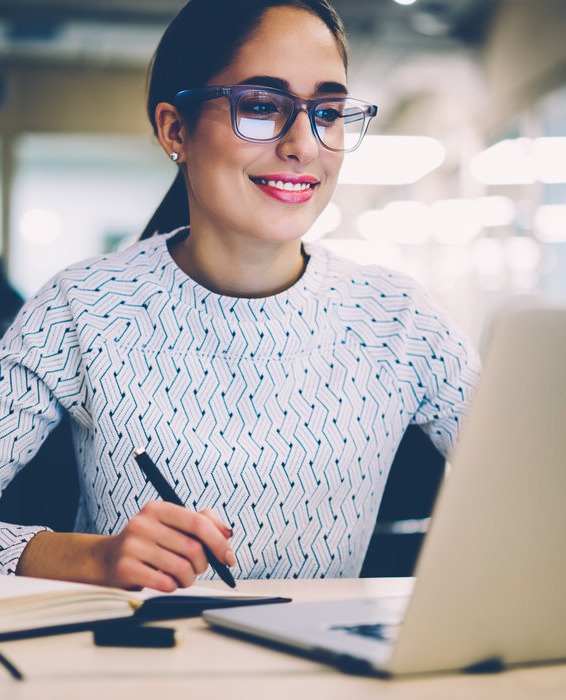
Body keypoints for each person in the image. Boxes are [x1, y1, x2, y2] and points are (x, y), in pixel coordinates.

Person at [0, 0, 481, 592]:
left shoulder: (400, 320)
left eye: (327, 112)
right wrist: (89, 559)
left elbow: (542, 490)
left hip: (328, 682)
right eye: (260, 106)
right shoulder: (82, 308)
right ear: (175, 129)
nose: (305, 145)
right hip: (143, 672)